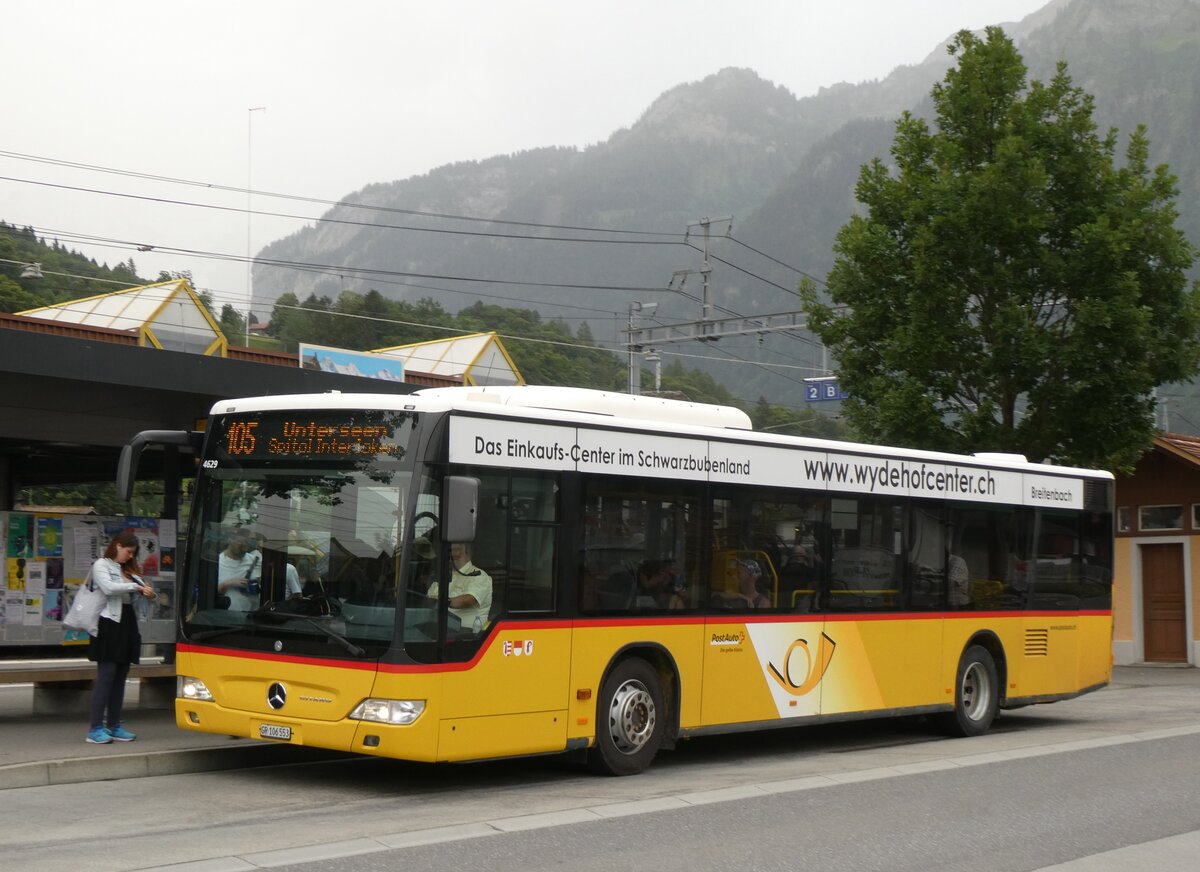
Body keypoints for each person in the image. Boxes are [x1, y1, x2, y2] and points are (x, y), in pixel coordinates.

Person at [86, 529, 157, 744]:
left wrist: (148, 592)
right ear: (118, 546)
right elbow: (108, 588)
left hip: (127, 622)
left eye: (134, 552)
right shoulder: (102, 565)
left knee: (120, 677)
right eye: (129, 551)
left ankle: (114, 725)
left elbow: (143, 594)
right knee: (106, 675)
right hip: (107, 623)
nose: (131, 556)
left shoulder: (130, 569)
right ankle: (95, 728)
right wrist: (135, 586)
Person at [427, 542, 492, 631]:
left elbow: (468, 600)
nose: (442, 550)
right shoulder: (443, 575)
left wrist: (443, 602)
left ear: (459, 550)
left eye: (449, 545)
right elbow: (428, 600)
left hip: (466, 635)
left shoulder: (479, 576)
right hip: (437, 630)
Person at [217, 527, 261, 611]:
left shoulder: (255, 561)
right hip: (223, 616)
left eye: (247, 544)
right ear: (230, 540)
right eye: (241, 544)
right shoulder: (217, 562)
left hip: (249, 616)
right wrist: (228, 584)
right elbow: (207, 595)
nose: (244, 549)